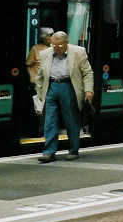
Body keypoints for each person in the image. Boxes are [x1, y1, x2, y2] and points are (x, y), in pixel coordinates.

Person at [34, 31, 94, 162]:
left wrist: (88, 90)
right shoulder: (45, 54)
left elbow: (87, 73)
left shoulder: (79, 52)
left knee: (71, 120)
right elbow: (40, 75)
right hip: (51, 87)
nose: (56, 48)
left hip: (69, 86)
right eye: (53, 45)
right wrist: (40, 91)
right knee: (50, 121)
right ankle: (49, 152)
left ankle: (73, 150)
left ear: (66, 43)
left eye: (59, 45)